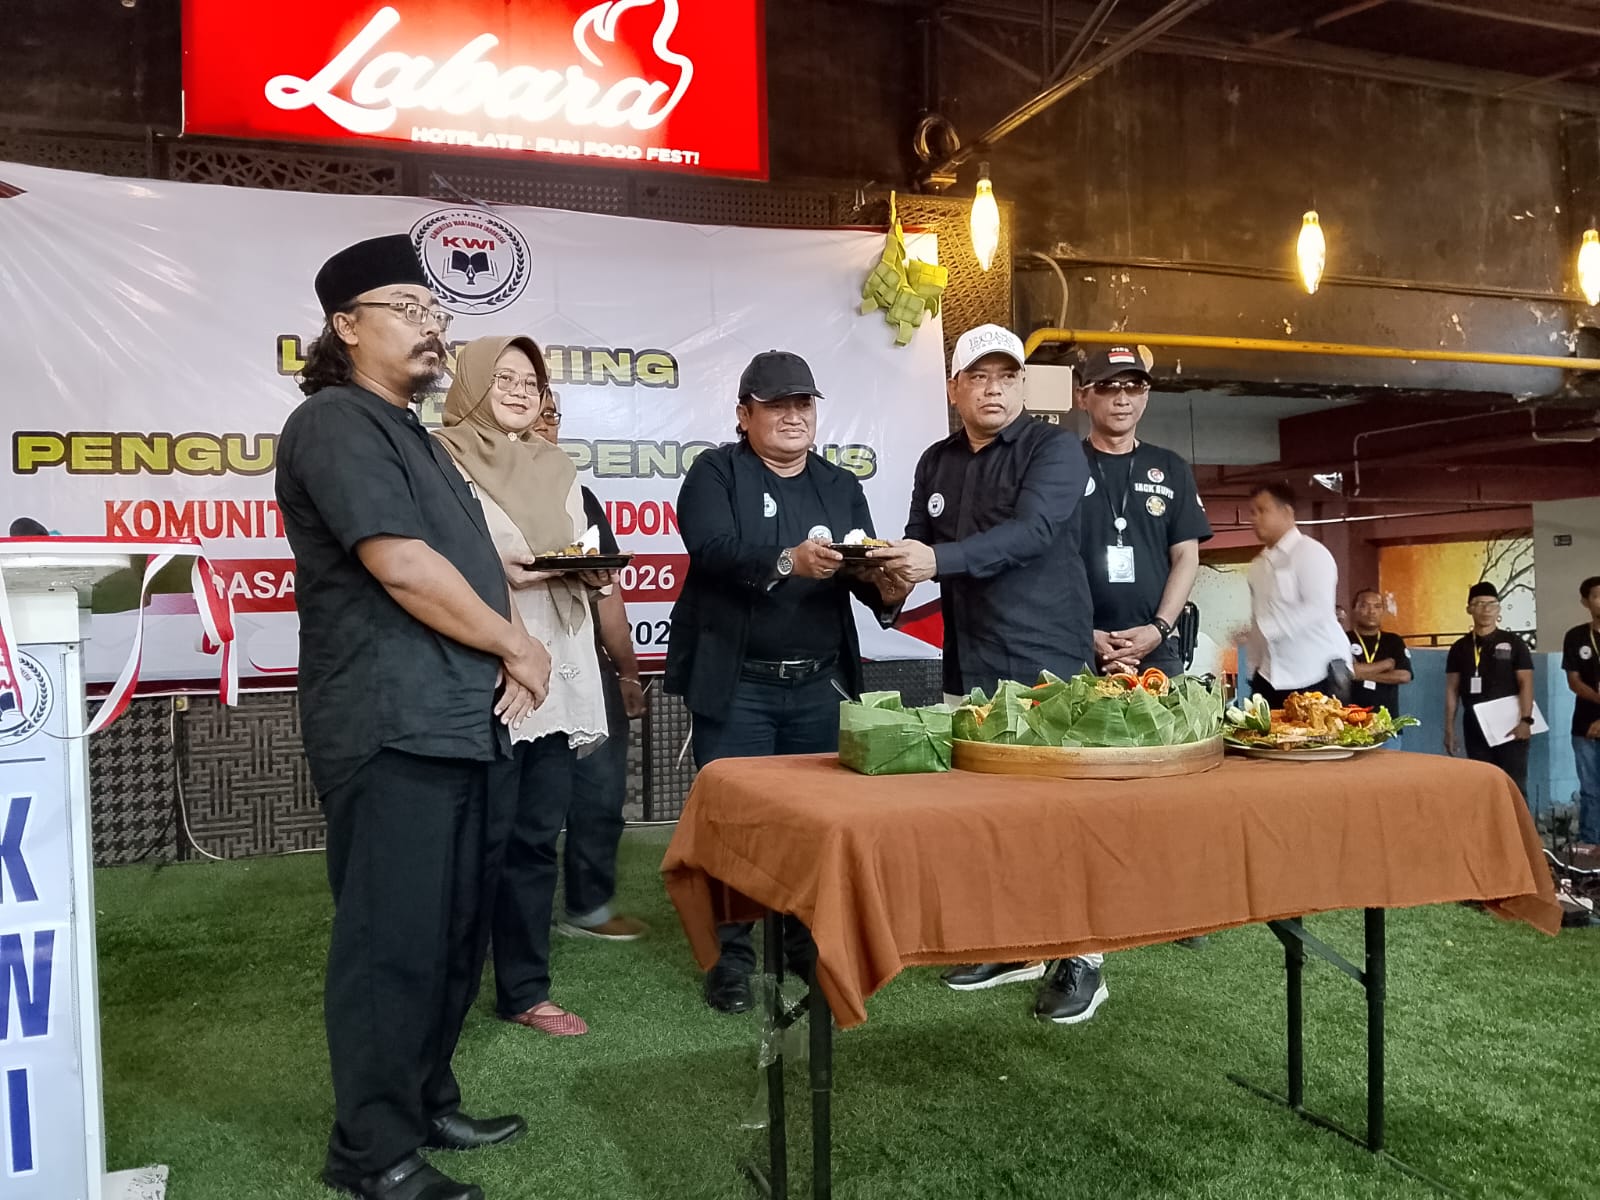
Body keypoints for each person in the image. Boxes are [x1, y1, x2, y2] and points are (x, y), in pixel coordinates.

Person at [277, 236, 550, 1200]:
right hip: (389, 725)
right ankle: (371, 1153)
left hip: (457, 722)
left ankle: (426, 1099)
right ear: (346, 326)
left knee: (454, 931)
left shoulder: (414, 433)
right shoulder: (334, 422)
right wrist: (517, 646)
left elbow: (464, 559)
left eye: (438, 312)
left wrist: (510, 617)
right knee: (391, 942)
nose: (432, 326)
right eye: (408, 308)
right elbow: (399, 563)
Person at [873, 324, 1104, 1025]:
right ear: (955, 389)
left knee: (1060, 819)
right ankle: (1013, 944)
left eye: (1006, 376)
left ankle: (1084, 958)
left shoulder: (1053, 450)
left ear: (1022, 385)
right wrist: (884, 574)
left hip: (1046, 664)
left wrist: (934, 563)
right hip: (969, 661)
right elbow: (919, 542)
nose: (993, 389)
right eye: (978, 376)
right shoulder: (936, 461)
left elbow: (1033, 533)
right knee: (987, 817)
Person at [666, 349, 909, 1014]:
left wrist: (887, 592)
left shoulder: (839, 484)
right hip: (739, 684)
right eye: (777, 404)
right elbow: (711, 549)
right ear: (744, 414)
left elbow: (860, 571)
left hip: (819, 685)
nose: (794, 415)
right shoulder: (715, 473)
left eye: (803, 403)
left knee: (816, 824)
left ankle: (806, 942)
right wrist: (786, 561)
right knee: (734, 825)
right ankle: (731, 958)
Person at [435, 335, 614, 1038]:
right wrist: (506, 624)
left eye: (530, 381)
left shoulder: (558, 464)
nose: (519, 391)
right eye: (503, 378)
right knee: (471, 844)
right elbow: (434, 563)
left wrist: (592, 570)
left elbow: (573, 548)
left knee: (537, 836)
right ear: (472, 383)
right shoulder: (440, 457)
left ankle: (525, 989)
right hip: (485, 665)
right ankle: (443, 993)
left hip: (558, 665)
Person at [528, 396, 651, 942]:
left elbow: (607, 591)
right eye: (532, 409)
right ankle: (511, 920)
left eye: (551, 412)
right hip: (510, 666)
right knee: (519, 808)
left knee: (600, 793)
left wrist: (626, 671)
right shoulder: (472, 493)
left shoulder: (579, 497)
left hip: (585, 666)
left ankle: (589, 907)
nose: (542, 422)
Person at [1075, 345, 1211, 677]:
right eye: (1108, 386)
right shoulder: (1061, 466)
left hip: (1155, 645)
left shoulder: (1171, 467)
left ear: (1146, 396)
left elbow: (1186, 556)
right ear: (1082, 397)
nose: (1122, 399)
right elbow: (1044, 561)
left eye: (1134, 386)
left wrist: (1159, 628)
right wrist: (1080, 631)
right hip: (1076, 644)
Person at [1243, 482, 1352, 708]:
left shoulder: (1311, 553)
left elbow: (1318, 608)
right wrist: (1252, 664)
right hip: (1269, 675)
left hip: (1315, 674)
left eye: (1262, 511)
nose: (1255, 518)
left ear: (1286, 512)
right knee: (1263, 730)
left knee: (1316, 731)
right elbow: (1256, 618)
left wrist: (1271, 629)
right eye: (1252, 512)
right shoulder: (1257, 565)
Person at [1444, 582, 1534, 797]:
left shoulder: (1514, 643)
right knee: (1482, 785)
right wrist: (1449, 729)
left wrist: (1526, 721)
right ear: (1469, 609)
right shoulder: (1460, 647)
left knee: (1514, 785)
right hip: (1475, 723)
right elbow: (1452, 690)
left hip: (1510, 724)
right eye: (1479, 604)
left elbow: (1526, 683)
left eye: (1491, 604)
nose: (1486, 609)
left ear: (1499, 608)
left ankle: (1518, 821)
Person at [1561, 576, 1600, 847]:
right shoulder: (1576, 636)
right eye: (1597, 596)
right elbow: (1574, 682)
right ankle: (1591, 844)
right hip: (1585, 726)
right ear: (1585, 602)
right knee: (1590, 789)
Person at [1345, 588, 1413, 723]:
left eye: (1377, 606)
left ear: (1383, 611)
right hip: (1349, 721)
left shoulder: (1393, 640)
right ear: (1354, 609)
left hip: (1387, 723)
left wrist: (1361, 674)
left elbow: (1404, 676)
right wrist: (1386, 665)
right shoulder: (1343, 639)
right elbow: (1347, 671)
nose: (1371, 611)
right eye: (1364, 606)